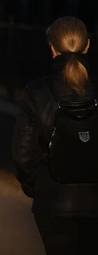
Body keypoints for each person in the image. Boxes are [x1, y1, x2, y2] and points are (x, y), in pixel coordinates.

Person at [13, 16, 98, 255]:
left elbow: (23, 153)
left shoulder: (35, 92)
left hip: (52, 199)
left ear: (51, 48)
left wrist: (36, 187)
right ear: (88, 45)